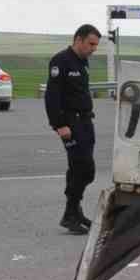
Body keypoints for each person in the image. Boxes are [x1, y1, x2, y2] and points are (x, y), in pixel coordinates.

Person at [45, 24, 102, 234]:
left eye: (96, 45)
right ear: (78, 39)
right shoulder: (61, 61)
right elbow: (52, 95)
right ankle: (70, 213)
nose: (93, 49)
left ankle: (74, 211)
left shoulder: (82, 61)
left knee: (79, 169)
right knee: (85, 168)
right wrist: (59, 125)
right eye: (91, 44)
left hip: (85, 122)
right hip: (71, 124)